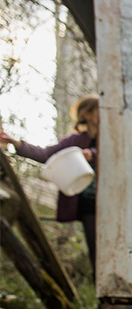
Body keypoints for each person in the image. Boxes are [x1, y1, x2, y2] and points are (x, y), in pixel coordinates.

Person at [1, 95, 100, 279]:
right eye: (97, 110)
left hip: (112, 203)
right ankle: (103, 296)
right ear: (86, 114)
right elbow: (46, 154)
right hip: (88, 205)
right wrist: (17, 144)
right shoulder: (75, 141)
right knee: (96, 250)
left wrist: (93, 154)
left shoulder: (111, 137)